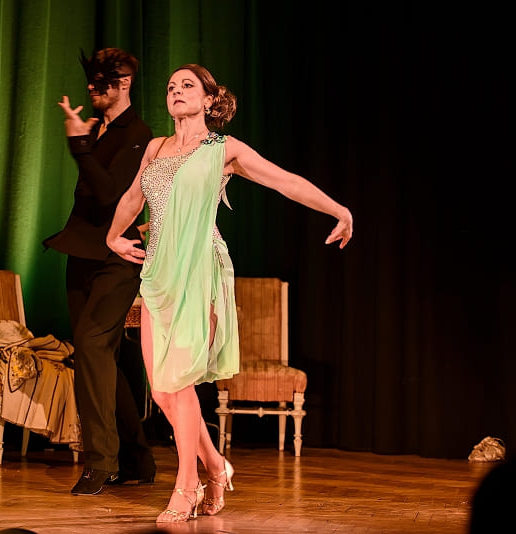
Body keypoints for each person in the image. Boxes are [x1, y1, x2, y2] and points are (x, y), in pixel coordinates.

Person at [106, 64, 353, 523]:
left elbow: (285, 181)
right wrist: (112, 236)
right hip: (157, 273)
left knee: (180, 382)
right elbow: (133, 197)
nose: (177, 91)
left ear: (208, 99)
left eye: (187, 85)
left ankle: (187, 485)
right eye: (171, 87)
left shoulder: (224, 150)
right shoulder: (156, 148)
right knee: (162, 391)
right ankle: (217, 465)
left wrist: (339, 210)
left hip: (199, 269)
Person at [43, 48, 157, 496]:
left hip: (119, 256)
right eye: (90, 81)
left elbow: (112, 194)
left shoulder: (140, 134)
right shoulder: (98, 128)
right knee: (99, 356)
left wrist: (80, 146)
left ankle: (100, 461)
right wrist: (85, 141)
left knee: (91, 347)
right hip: (81, 252)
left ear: (124, 82)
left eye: (101, 82)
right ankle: (137, 459)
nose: (91, 88)